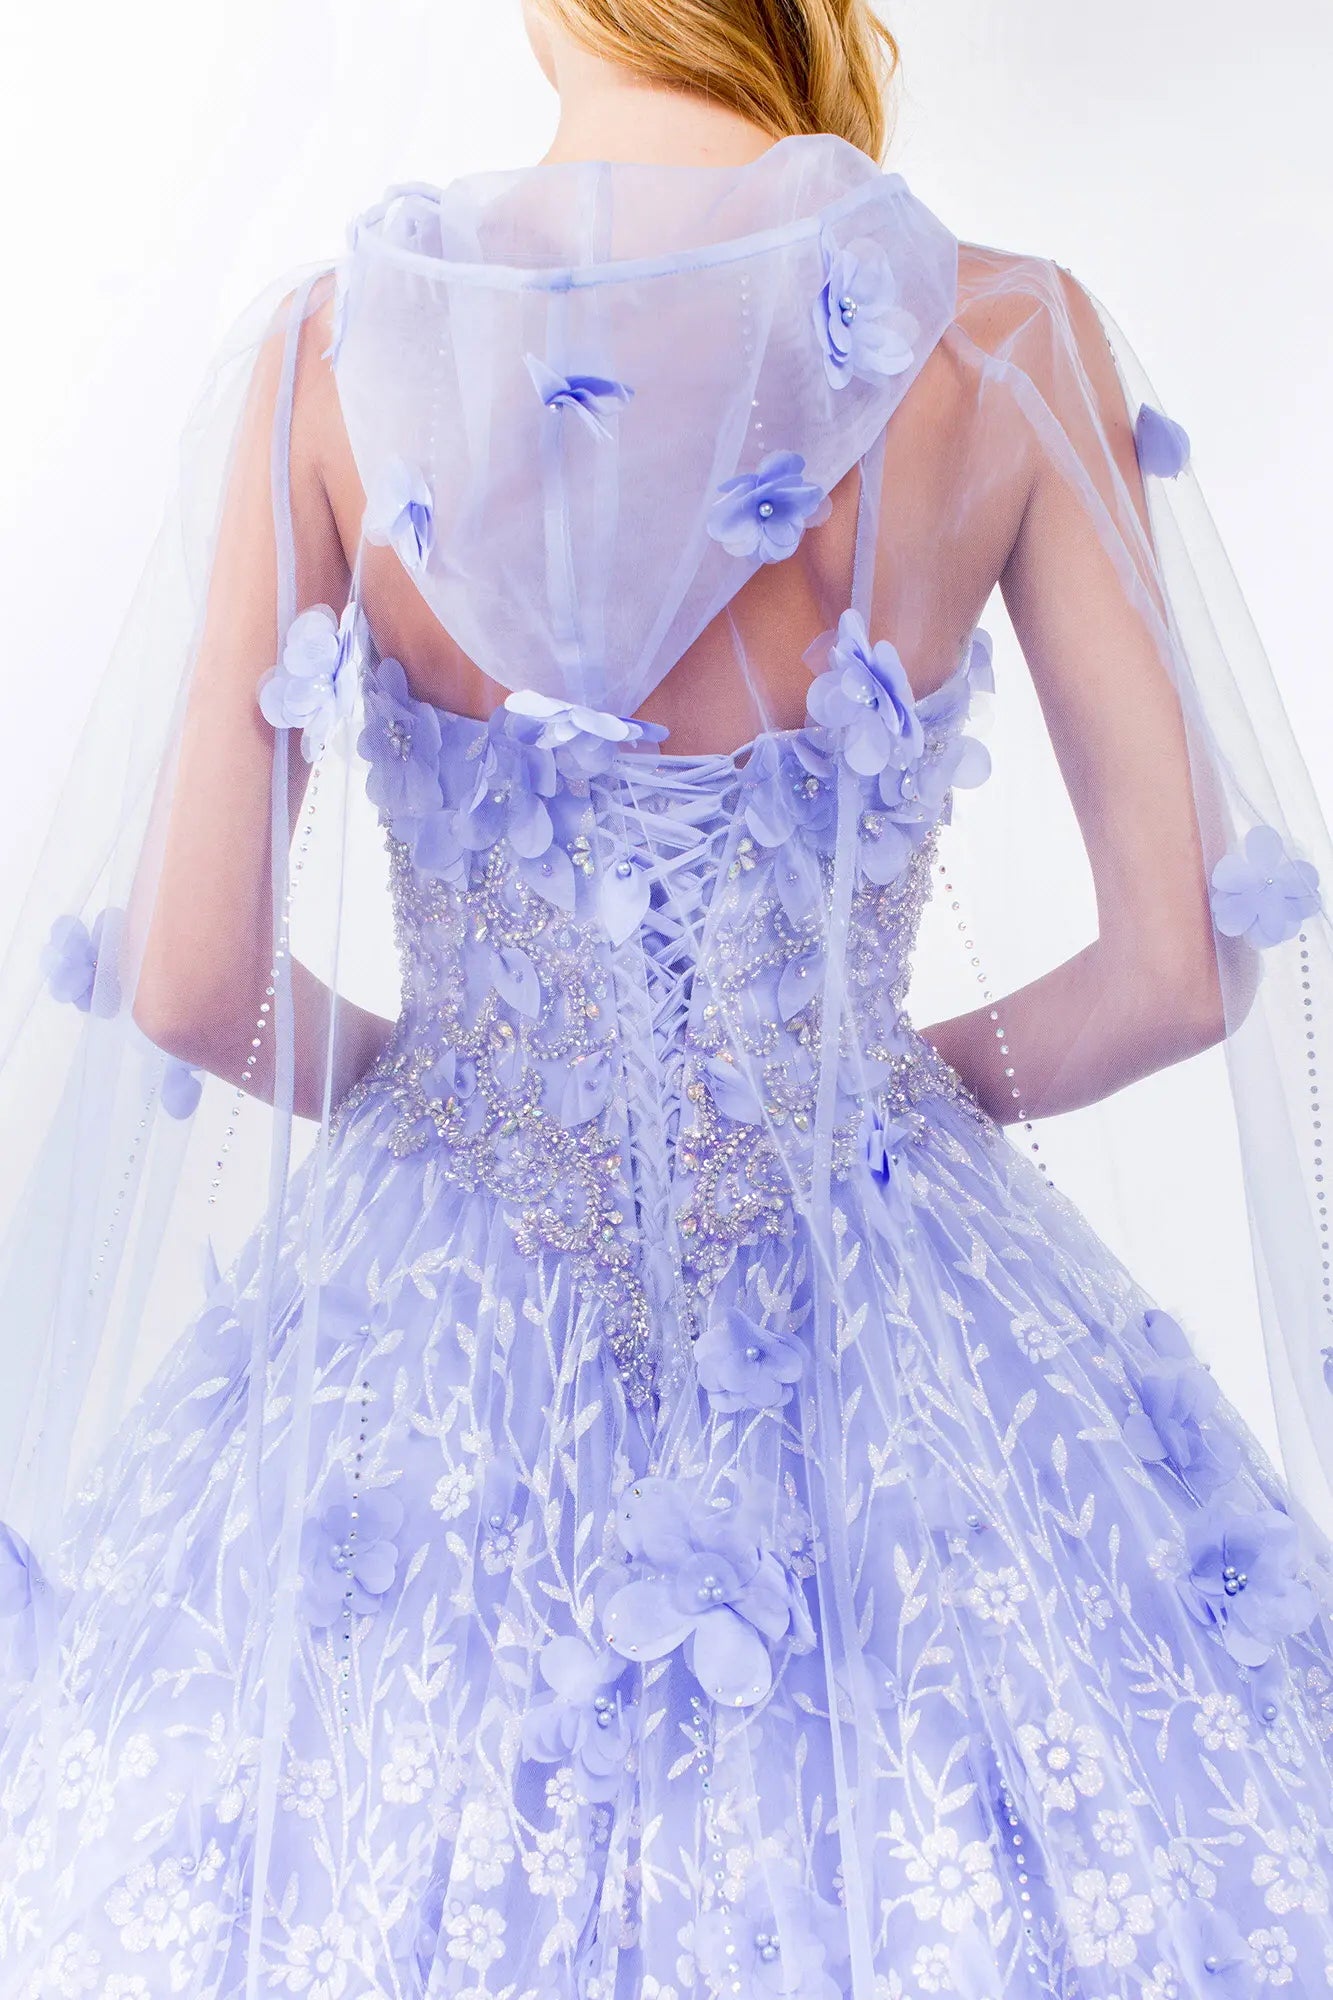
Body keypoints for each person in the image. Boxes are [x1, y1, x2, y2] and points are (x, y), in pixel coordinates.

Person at [1, 1, 1331, 1994]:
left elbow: (195, 984)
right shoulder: (1000, 339)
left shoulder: (333, 357)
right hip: (885, 1304)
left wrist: (459, 1091)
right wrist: (857, 1093)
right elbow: (1175, 964)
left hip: (430, 1309)